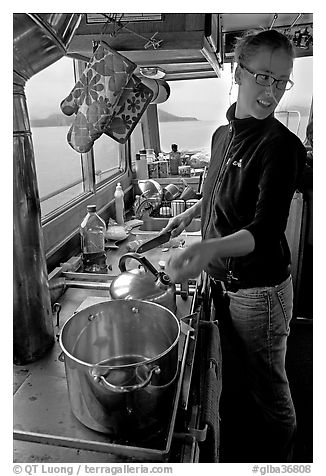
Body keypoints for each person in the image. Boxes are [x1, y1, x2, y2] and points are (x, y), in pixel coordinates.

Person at [162, 29, 307, 462]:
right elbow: (216, 188)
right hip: (228, 283)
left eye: (281, 81)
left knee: (270, 388)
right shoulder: (224, 134)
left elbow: (263, 232)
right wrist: (190, 216)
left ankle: (286, 459)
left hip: (260, 292)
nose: (272, 91)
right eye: (263, 77)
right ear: (238, 73)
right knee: (245, 378)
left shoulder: (282, 147)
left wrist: (205, 251)